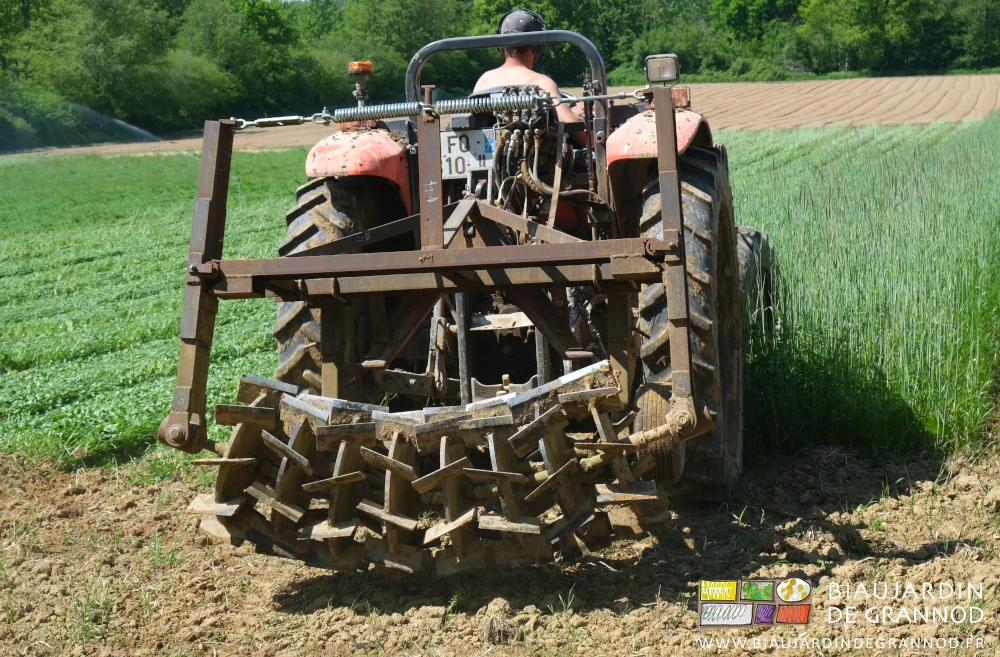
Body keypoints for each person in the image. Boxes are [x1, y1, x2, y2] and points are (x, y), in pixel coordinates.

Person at [473, 9, 583, 125]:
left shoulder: (484, 81)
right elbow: (572, 124)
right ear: (538, 46)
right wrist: (573, 115)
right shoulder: (543, 83)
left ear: (501, 45)